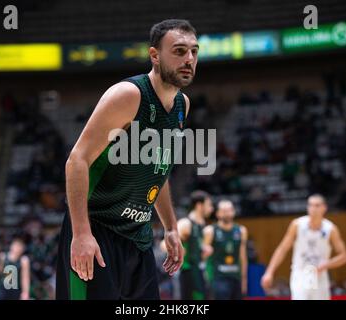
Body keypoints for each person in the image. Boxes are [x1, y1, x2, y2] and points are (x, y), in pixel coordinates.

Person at [56, 19, 199, 300]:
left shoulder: (183, 105)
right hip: (98, 232)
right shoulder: (128, 95)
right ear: (155, 56)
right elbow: (77, 161)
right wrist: (81, 234)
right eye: (180, 51)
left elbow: (159, 169)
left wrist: (170, 227)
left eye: (194, 51)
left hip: (139, 239)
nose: (189, 59)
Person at [261, 194, 346, 300]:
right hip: (300, 272)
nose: (313, 208)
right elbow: (282, 249)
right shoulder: (297, 225)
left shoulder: (330, 229)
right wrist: (269, 272)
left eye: (317, 205)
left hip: (319, 274)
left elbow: (344, 256)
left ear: (324, 208)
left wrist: (326, 264)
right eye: (310, 205)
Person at [166, 190, 213, 300]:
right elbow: (165, 244)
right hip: (187, 273)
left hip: (200, 272)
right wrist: (177, 249)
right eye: (209, 205)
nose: (211, 208)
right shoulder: (186, 223)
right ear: (199, 205)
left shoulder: (203, 225)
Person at [203, 200, 248, 300]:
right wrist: (206, 280)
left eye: (230, 210)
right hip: (217, 278)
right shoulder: (210, 231)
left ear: (234, 212)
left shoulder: (241, 230)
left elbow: (243, 257)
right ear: (217, 213)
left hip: (236, 277)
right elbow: (203, 258)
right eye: (224, 211)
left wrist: (244, 281)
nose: (227, 213)